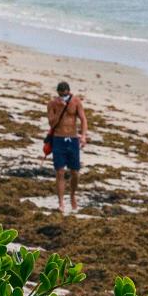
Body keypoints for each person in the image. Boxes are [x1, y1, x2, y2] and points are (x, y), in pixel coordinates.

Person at [46, 81, 88, 213]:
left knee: (75, 172)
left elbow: (83, 119)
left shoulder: (76, 102)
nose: (64, 96)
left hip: (73, 139)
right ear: (58, 93)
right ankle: (61, 202)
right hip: (58, 139)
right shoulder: (52, 104)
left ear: (69, 92)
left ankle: (72, 195)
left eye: (66, 94)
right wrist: (59, 110)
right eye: (61, 94)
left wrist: (83, 136)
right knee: (60, 172)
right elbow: (52, 123)